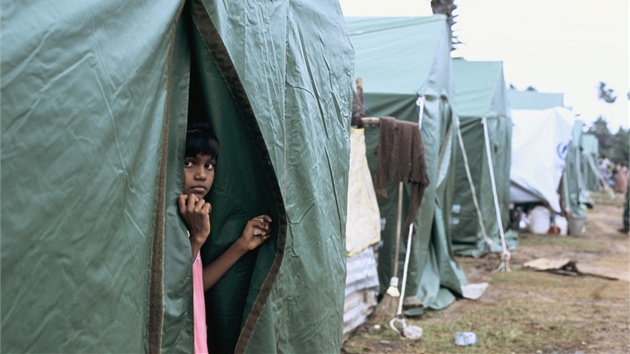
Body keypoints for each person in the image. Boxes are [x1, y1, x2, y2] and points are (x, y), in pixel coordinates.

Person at [178, 120, 272, 353]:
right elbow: (167, 287)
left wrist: (241, 245)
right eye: (189, 163)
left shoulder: (192, 216)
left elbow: (194, 284)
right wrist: (197, 239)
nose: (201, 175)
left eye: (209, 165)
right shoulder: (167, 219)